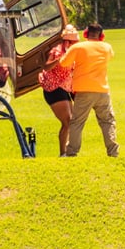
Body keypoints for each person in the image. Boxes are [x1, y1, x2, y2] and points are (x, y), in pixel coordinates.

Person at [58, 23, 120, 157]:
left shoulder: (78, 47)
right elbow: (110, 56)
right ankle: (113, 152)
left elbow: (63, 63)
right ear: (101, 35)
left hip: (83, 91)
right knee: (107, 121)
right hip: (102, 91)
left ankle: (72, 152)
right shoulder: (107, 47)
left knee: (77, 123)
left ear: (86, 33)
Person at [39, 24, 80, 156]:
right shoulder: (57, 51)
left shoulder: (73, 52)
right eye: (73, 41)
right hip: (53, 88)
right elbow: (46, 67)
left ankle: (68, 151)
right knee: (67, 121)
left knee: (71, 121)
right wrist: (59, 60)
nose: (75, 43)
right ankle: (63, 153)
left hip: (65, 88)